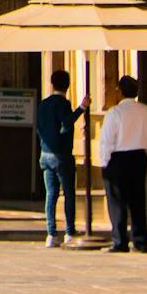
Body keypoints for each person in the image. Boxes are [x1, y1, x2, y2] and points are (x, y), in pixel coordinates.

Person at [98, 73, 147, 252]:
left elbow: (107, 140)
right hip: (139, 157)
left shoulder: (115, 112)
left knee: (117, 201)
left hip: (118, 158)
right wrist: (146, 155)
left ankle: (120, 240)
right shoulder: (146, 110)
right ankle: (140, 240)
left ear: (120, 92)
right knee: (138, 199)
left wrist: (104, 162)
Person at [34, 69, 88, 247]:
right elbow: (66, 122)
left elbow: (39, 128)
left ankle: (51, 233)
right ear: (68, 85)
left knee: (51, 195)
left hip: (45, 154)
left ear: (51, 84)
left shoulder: (43, 104)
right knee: (68, 193)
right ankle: (69, 231)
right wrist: (81, 108)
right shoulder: (63, 103)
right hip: (62, 154)